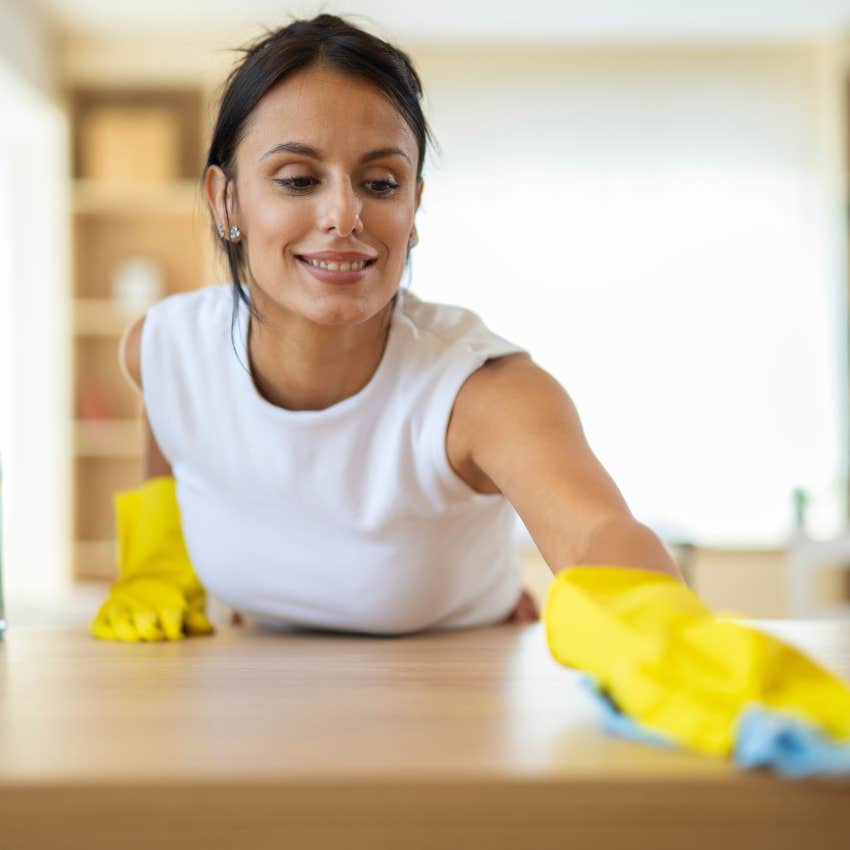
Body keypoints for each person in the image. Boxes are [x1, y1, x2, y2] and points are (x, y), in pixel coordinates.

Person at [91, 13, 682, 643]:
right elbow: (176, 481)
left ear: (414, 207)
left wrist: (665, 629)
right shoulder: (165, 353)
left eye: (380, 183)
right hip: (259, 698)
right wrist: (154, 571)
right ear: (225, 200)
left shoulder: (480, 391)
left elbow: (597, 535)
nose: (344, 215)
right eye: (297, 180)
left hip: (457, 692)